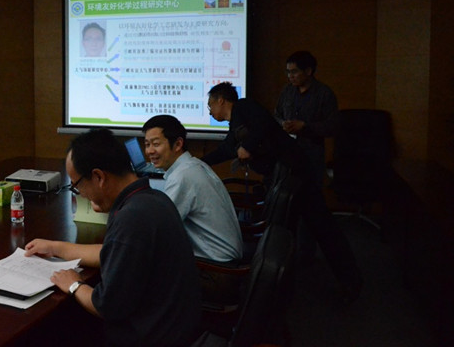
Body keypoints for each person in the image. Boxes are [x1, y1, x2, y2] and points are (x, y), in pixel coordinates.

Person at [25, 128, 201, 347]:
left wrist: (74, 284)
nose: (81, 195)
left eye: (77, 186)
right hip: (174, 331)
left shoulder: (132, 218)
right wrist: (56, 247)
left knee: (48, 340)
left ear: (99, 177)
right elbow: (113, 252)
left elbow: (105, 306)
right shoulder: (151, 199)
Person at [202, 82, 362, 301]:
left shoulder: (244, 107)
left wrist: (247, 146)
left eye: (210, 105)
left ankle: (351, 281)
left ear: (221, 100)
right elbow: (226, 150)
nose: (210, 111)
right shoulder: (235, 127)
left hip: (296, 173)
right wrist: (197, 162)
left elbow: (263, 123)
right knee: (287, 234)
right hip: (285, 178)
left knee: (323, 226)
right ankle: (285, 286)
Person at [142, 114, 243, 264]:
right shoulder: (193, 165)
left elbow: (159, 227)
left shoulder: (183, 176)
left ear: (178, 144)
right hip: (224, 256)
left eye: (156, 144)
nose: (149, 151)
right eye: (147, 144)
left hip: (216, 265)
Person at [274, 51, 339, 262]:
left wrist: (306, 127)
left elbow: (332, 126)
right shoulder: (287, 91)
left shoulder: (324, 94)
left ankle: (306, 253)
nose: (290, 76)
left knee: (310, 206)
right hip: (287, 153)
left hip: (311, 155)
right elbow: (276, 115)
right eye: (288, 72)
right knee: (287, 202)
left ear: (309, 71)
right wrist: (282, 124)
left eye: (294, 72)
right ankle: (285, 249)